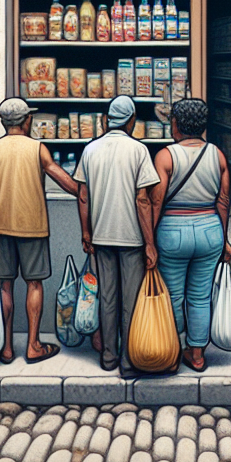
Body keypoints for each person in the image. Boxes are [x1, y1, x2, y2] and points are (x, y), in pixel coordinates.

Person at [0, 98, 79, 364]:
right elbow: (59, 175)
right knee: (35, 284)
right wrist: (84, 191)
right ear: (27, 121)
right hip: (33, 227)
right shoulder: (37, 148)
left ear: (3, 122)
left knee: (5, 285)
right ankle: (33, 345)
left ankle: (7, 347)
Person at [75, 95, 160, 377]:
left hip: (101, 236)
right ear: (131, 120)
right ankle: (128, 360)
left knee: (107, 297)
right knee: (131, 301)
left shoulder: (90, 149)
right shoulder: (138, 150)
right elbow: (143, 200)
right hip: (132, 238)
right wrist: (150, 243)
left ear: (106, 119)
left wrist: (86, 231)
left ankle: (108, 356)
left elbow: (83, 195)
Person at [150, 98, 231, 373]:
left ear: (175, 124)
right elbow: (223, 201)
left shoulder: (165, 156)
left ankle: (172, 354)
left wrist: (149, 240)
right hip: (209, 229)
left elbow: (156, 202)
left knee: (172, 297)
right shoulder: (217, 155)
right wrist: (225, 238)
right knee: (200, 296)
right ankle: (197, 355)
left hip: (173, 230)